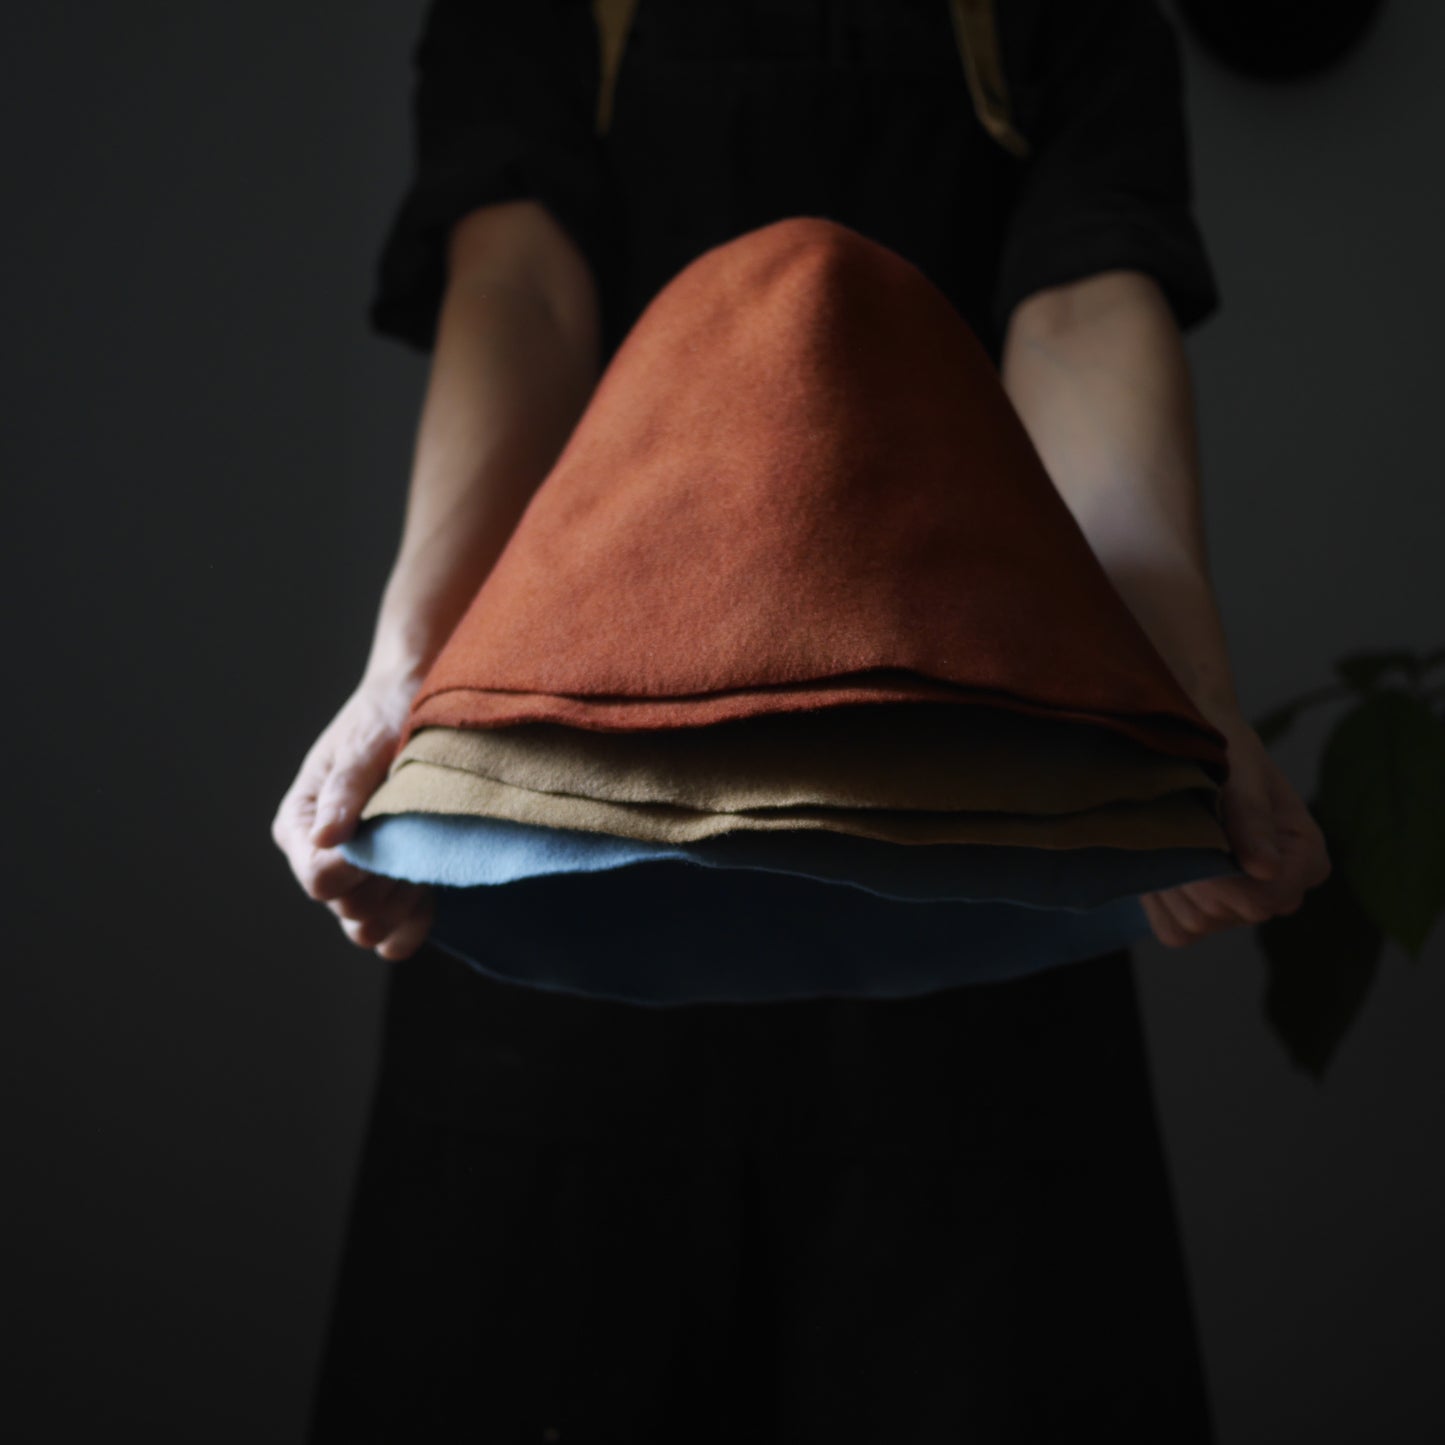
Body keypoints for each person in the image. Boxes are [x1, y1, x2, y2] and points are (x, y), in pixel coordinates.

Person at [272, 1, 1330, 1439]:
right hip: (557, 847)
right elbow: (520, 286)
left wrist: (1184, 709)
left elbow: (1081, 305)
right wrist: (403, 680)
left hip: (980, 852)